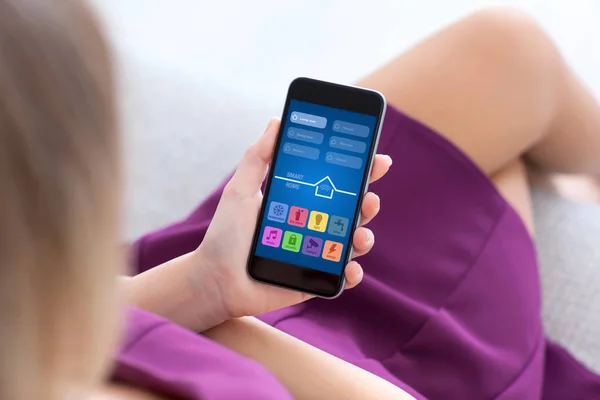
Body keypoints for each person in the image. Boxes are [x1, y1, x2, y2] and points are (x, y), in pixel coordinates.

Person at [1, 1, 599, 400]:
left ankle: (566, 184)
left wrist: (200, 288)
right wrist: (215, 322)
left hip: (171, 298)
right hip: (354, 374)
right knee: (509, 103)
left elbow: (47, 327)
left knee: (506, 52)